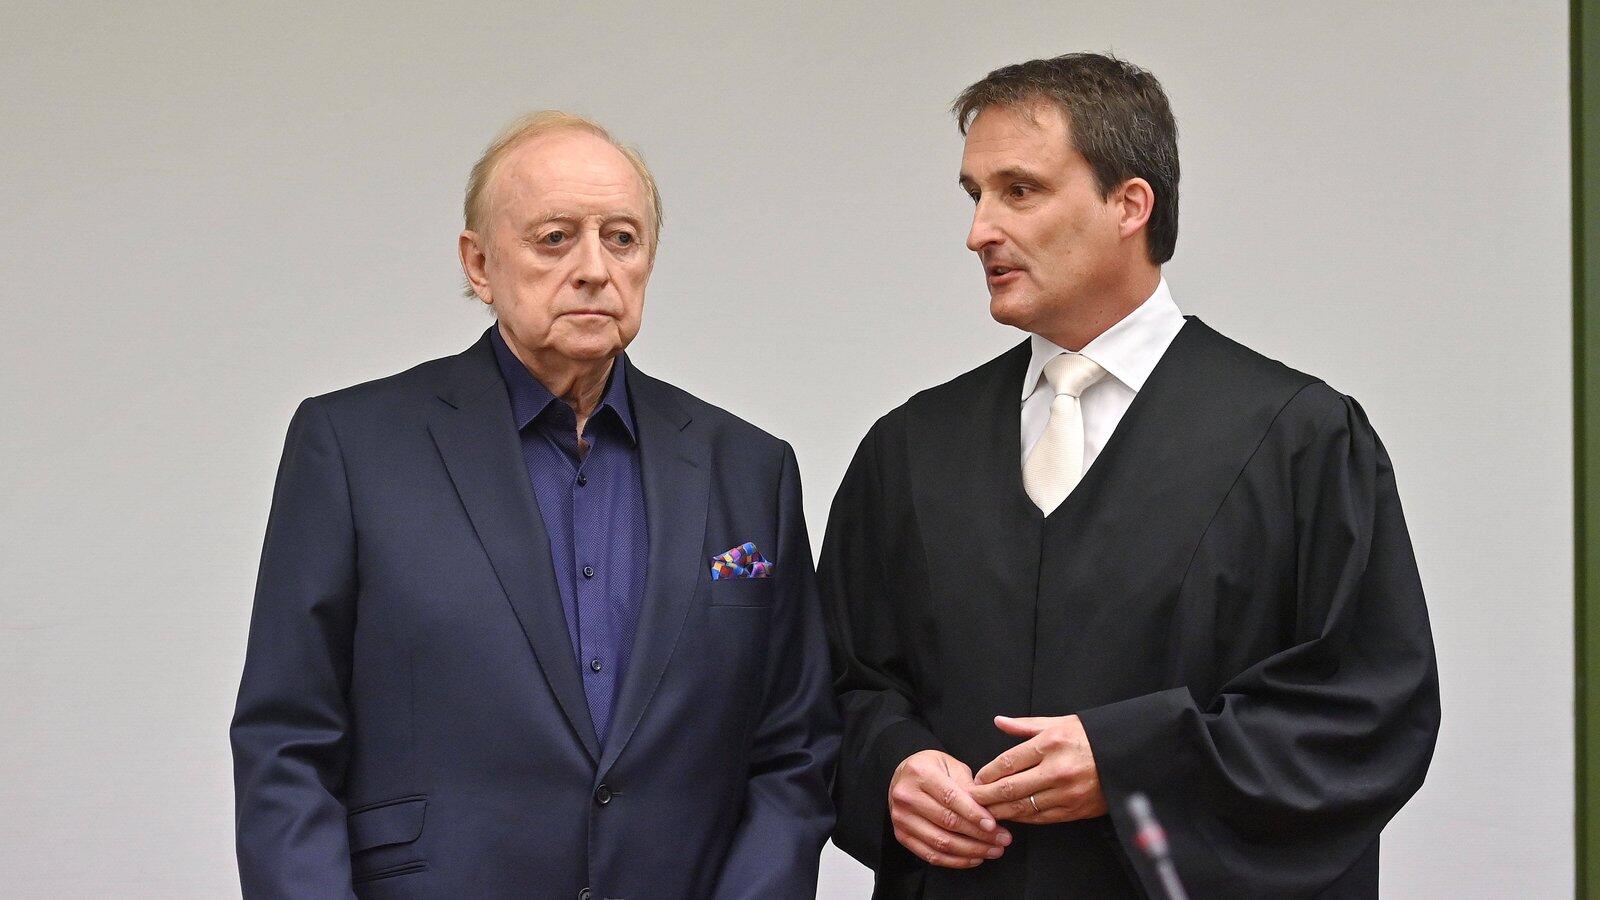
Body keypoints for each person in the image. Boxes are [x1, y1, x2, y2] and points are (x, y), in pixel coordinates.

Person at [822, 54, 1439, 898]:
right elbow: (836, 687)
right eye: (975, 196)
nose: (979, 232)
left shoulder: (1299, 441)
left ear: (1130, 204)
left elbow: (1365, 712)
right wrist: (891, 766)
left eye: (1020, 191)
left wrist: (1132, 762)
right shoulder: (910, 449)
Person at [231, 111, 838, 898]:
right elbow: (287, 744)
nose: (594, 269)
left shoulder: (750, 469)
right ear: (479, 264)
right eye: (555, 238)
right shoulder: (353, 447)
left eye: (622, 238)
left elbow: (794, 751)